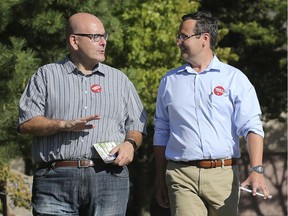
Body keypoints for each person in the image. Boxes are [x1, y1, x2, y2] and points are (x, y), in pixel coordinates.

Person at [17, 12, 147, 216]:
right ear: (74, 41)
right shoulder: (46, 75)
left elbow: (137, 126)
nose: (103, 42)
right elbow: (26, 123)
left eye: (104, 36)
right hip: (56, 178)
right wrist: (63, 125)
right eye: (96, 37)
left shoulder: (119, 80)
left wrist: (130, 144)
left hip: (109, 178)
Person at [153, 11, 270, 216]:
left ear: (204, 38)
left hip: (223, 175)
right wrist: (160, 177)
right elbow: (162, 131)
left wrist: (256, 170)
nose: (178, 41)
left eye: (183, 36)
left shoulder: (234, 78)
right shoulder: (169, 81)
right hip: (180, 174)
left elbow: (252, 127)